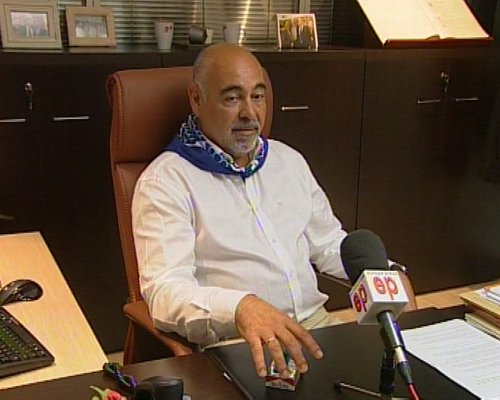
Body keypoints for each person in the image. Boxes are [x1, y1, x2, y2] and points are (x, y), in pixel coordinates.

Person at [132, 43, 349, 380]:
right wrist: (240, 307)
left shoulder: (288, 161)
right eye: (233, 98)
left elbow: (329, 244)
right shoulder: (166, 181)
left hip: (318, 329)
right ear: (196, 99)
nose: (250, 113)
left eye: (258, 96)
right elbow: (165, 293)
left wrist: (383, 271)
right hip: (243, 343)